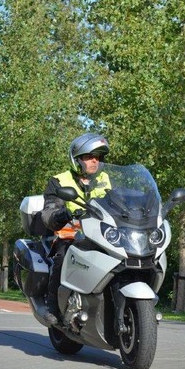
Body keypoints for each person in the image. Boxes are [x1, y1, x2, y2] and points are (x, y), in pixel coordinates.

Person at [39, 133, 112, 325]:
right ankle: (53, 308)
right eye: (89, 156)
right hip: (70, 235)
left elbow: (118, 202)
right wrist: (63, 214)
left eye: (98, 157)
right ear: (77, 159)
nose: (95, 160)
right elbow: (48, 214)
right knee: (63, 255)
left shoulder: (105, 179)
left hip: (102, 235)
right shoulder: (59, 181)